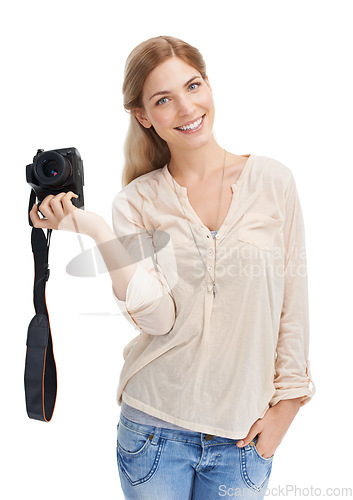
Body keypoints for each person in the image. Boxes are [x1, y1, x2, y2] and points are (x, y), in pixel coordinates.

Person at [30, 35, 316, 499]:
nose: (187, 108)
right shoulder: (137, 201)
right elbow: (158, 319)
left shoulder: (273, 181)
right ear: (144, 116)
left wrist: (288, 407)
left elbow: (293, 305)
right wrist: (100, 231)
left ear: (208, 86)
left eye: (194, 86)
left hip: (243, 438)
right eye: (164, 99)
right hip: (153, 433)